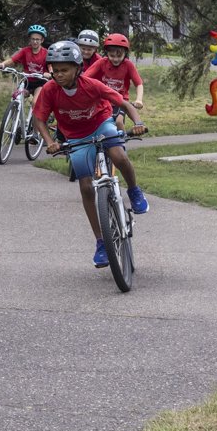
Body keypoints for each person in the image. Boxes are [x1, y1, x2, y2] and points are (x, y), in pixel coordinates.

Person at [32, 40, 148, 269]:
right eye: (55, 70)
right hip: (75, 136)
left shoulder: (91, 85)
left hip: (101, 123)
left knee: (118, 155)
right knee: (85, 186)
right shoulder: (49, 90)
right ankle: (101, 242)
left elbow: (123, 103)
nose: (59, 75)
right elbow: (39, 119)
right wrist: (50, 142)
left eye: (64, 70)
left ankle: (134, 191)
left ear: (77, 69)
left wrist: (138, 122)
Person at [85, 32, 145, 127]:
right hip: (103, 102)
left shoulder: (128, 65)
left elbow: (139, 84)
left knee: (119, 122)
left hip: (120, 101)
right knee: (101, 125)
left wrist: (139, 100)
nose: (116, 59)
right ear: (107, 53)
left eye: (119, 56)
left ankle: (121, 141)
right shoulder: (101, 63)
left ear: (125, 54)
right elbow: (85, 78)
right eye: (112, 56)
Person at [0, 24, 51, 97]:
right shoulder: (25, 51)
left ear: (42, 40)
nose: (35, 42)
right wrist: (3, 64)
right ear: (30, 39)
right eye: (33, 39)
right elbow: (13, 60)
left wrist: (50, 73)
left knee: (35, 103)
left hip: (40, 82)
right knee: (16, 96)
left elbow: (50, 66)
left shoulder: (46, 53)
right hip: (27, 81)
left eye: (37, 39)